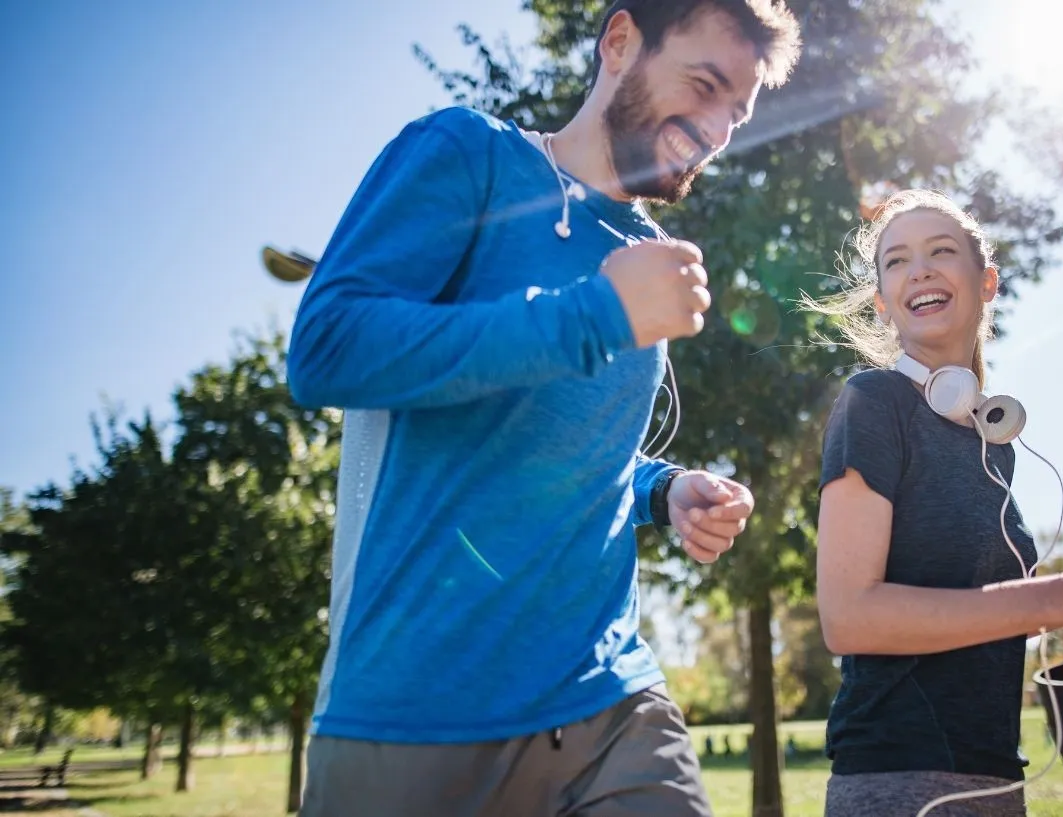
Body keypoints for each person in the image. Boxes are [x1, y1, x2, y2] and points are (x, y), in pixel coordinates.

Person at [286, 2, 802, 815]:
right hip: (419, 710)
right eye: (703, 86)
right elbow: (327, 348)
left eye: (734, 113)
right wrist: (591, 316)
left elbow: (555, 449)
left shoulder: (637, 256)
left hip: (609, 702)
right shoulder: (468, 153)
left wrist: (660, 490)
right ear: (622, 42)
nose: (714, 128)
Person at [810, 189, 1063, 817]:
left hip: (994, 781)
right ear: (882, 303)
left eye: (941, 251)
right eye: (896, 261)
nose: (920, 269)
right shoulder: (873, 401)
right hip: (900, 784)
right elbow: (847, 618)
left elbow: (984, 611)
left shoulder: (991, 442)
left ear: (986, 282)